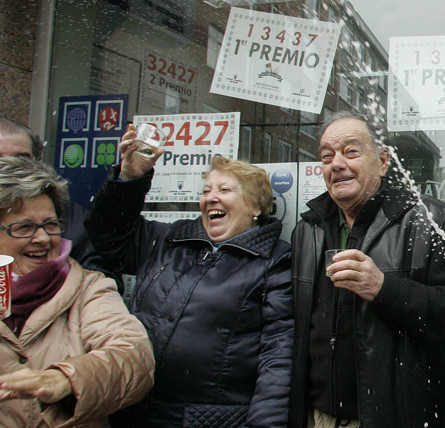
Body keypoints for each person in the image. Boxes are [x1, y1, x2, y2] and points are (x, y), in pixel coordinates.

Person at [85, 125, 294, 427]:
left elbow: (278, 355)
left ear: (257, 207)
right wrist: (130, 179)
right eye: (207, 190)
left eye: (225, 190)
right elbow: (106, 235)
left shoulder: (274, 261)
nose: (212, 198)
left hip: (210, 420)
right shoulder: (168, 238)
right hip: (132, 411)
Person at [288, 112, 445, 428]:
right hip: (318, 417)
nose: (336, 164)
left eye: (351, 151)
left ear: (383, 161)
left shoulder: (431, 220)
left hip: (394, 417)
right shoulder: (308, 229)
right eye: (327, 156)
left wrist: (384, 288)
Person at [0, 156, 154, 426]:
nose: (43, 238)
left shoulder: (88, 287)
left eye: (50, 224)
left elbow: (133, 356)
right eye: (23, 227)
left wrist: (66, 378)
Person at [0, 117, 99, 274]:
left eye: (20, 161)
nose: (7, 169)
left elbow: (97, 282)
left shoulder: (76, 221)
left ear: (38, 163)